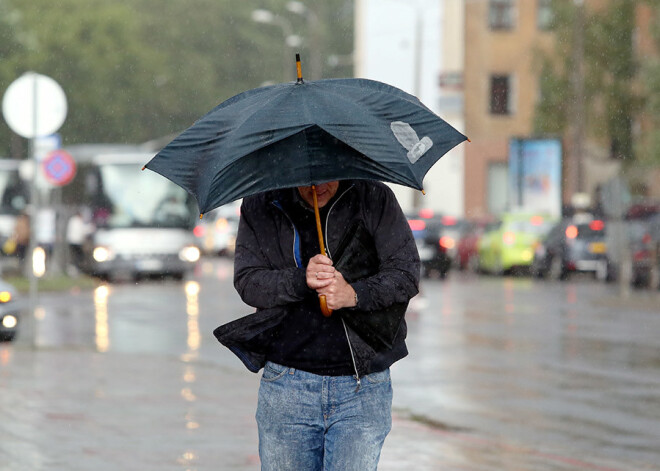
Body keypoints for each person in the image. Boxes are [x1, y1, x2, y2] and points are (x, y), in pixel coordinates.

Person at [215, 179, 420, 471]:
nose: (318, 185)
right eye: (306, 179)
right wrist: (301, 279)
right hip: (286, 386)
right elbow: (248, 282)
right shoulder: (261, 203)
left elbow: (405, 273)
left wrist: (354, 294)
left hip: (362, 389)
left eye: (328, 175)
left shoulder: (373, 196)